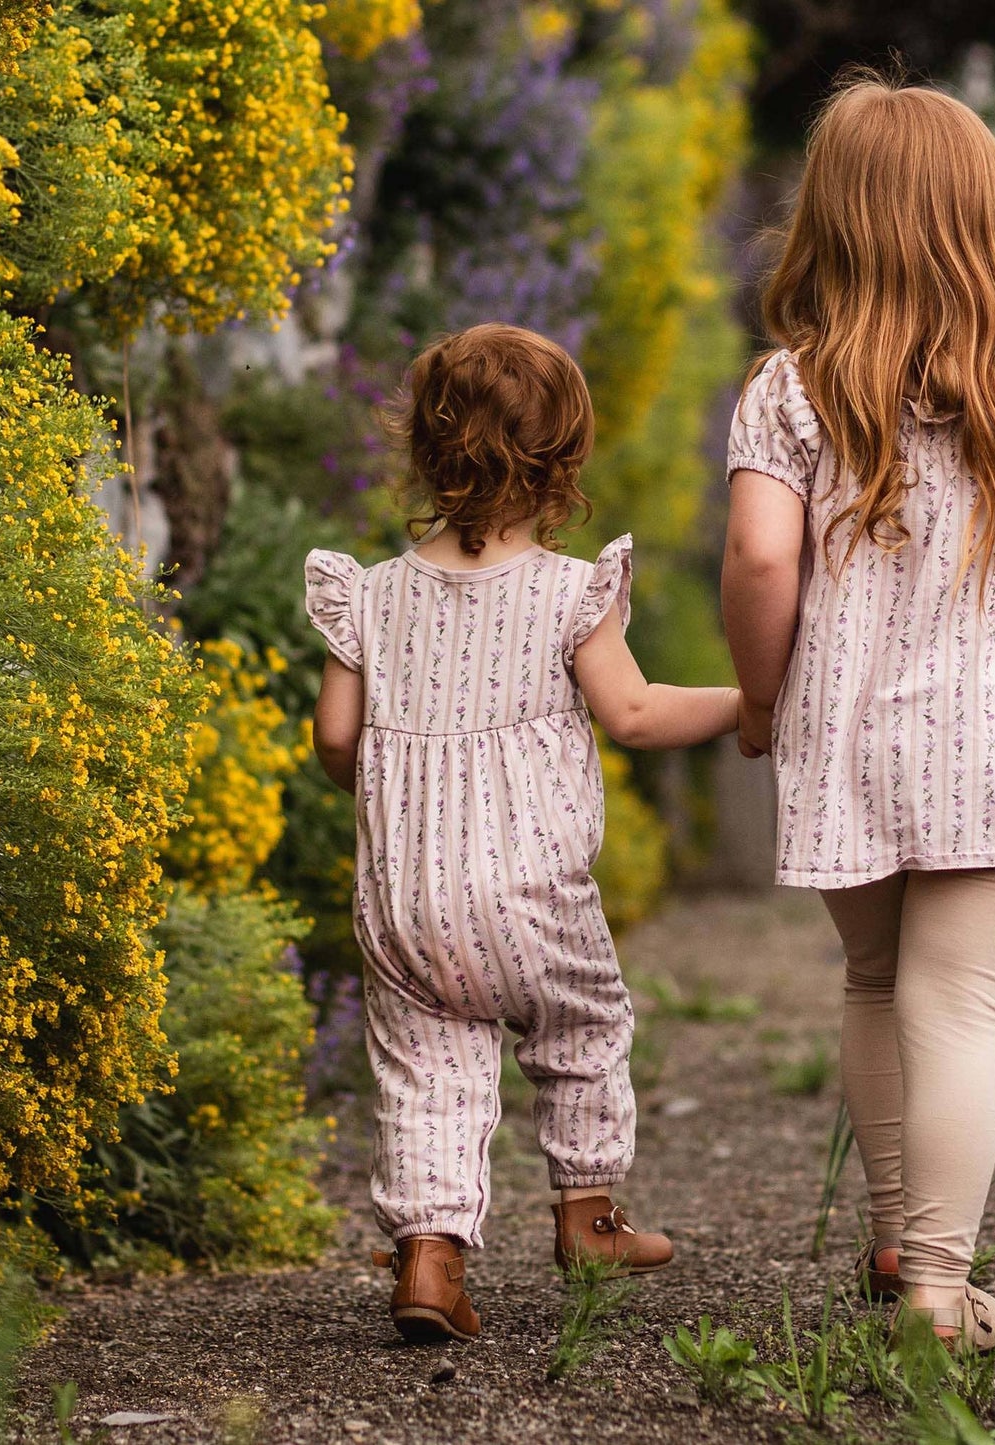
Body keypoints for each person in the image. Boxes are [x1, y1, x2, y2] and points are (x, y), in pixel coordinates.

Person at [721, 75, 995, 1352]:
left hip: (848, 729)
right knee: (959, 1003)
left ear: (832, 220)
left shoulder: (787, 391)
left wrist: (761, 693)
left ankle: (888, 1230)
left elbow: (759, 563)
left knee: (873, 981)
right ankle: (932, 1281)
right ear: (987, 218)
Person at [307, 322, 739, 1343]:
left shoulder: (368, 594)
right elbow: (632, 715)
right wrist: (748, 705)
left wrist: (368, 776)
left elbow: (335, 734)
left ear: (422, 447)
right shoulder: (567, 592)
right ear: (565, 461)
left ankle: (429, 1255)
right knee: (582, 1027)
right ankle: (588, 1215)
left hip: (404, 897)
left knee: (425, 1065)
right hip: (531, 896)